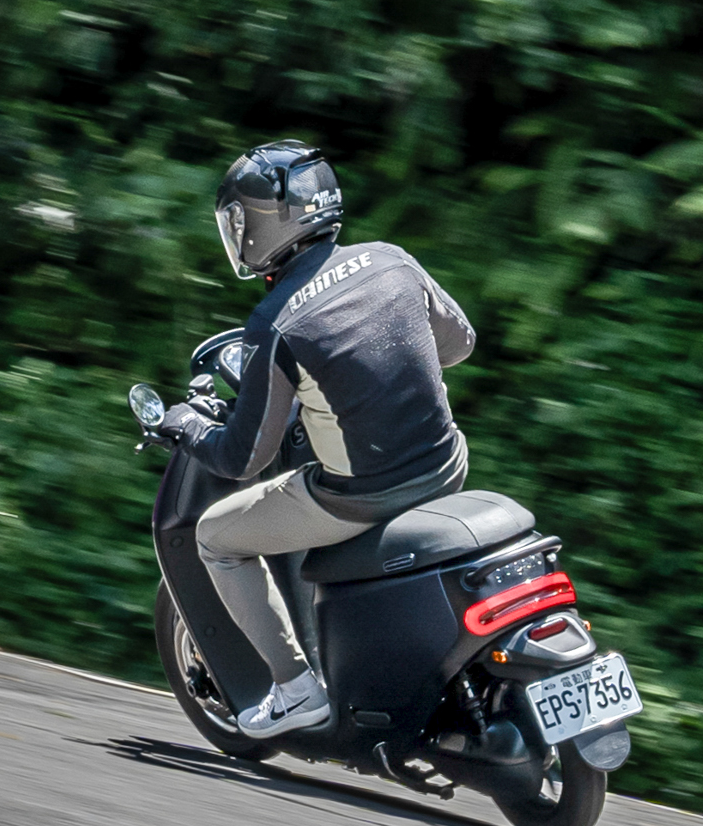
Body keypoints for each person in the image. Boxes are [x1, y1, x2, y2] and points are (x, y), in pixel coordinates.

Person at [155, 140, 475, 738]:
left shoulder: (276, 321)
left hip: (363, 497)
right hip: (447, 466)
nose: (236, 236)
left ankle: (296, 689)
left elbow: (243, 457)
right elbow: (459, 344)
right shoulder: (391, 260)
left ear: (266, 224)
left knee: (215, 536)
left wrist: (191, 426)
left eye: (239, 222)